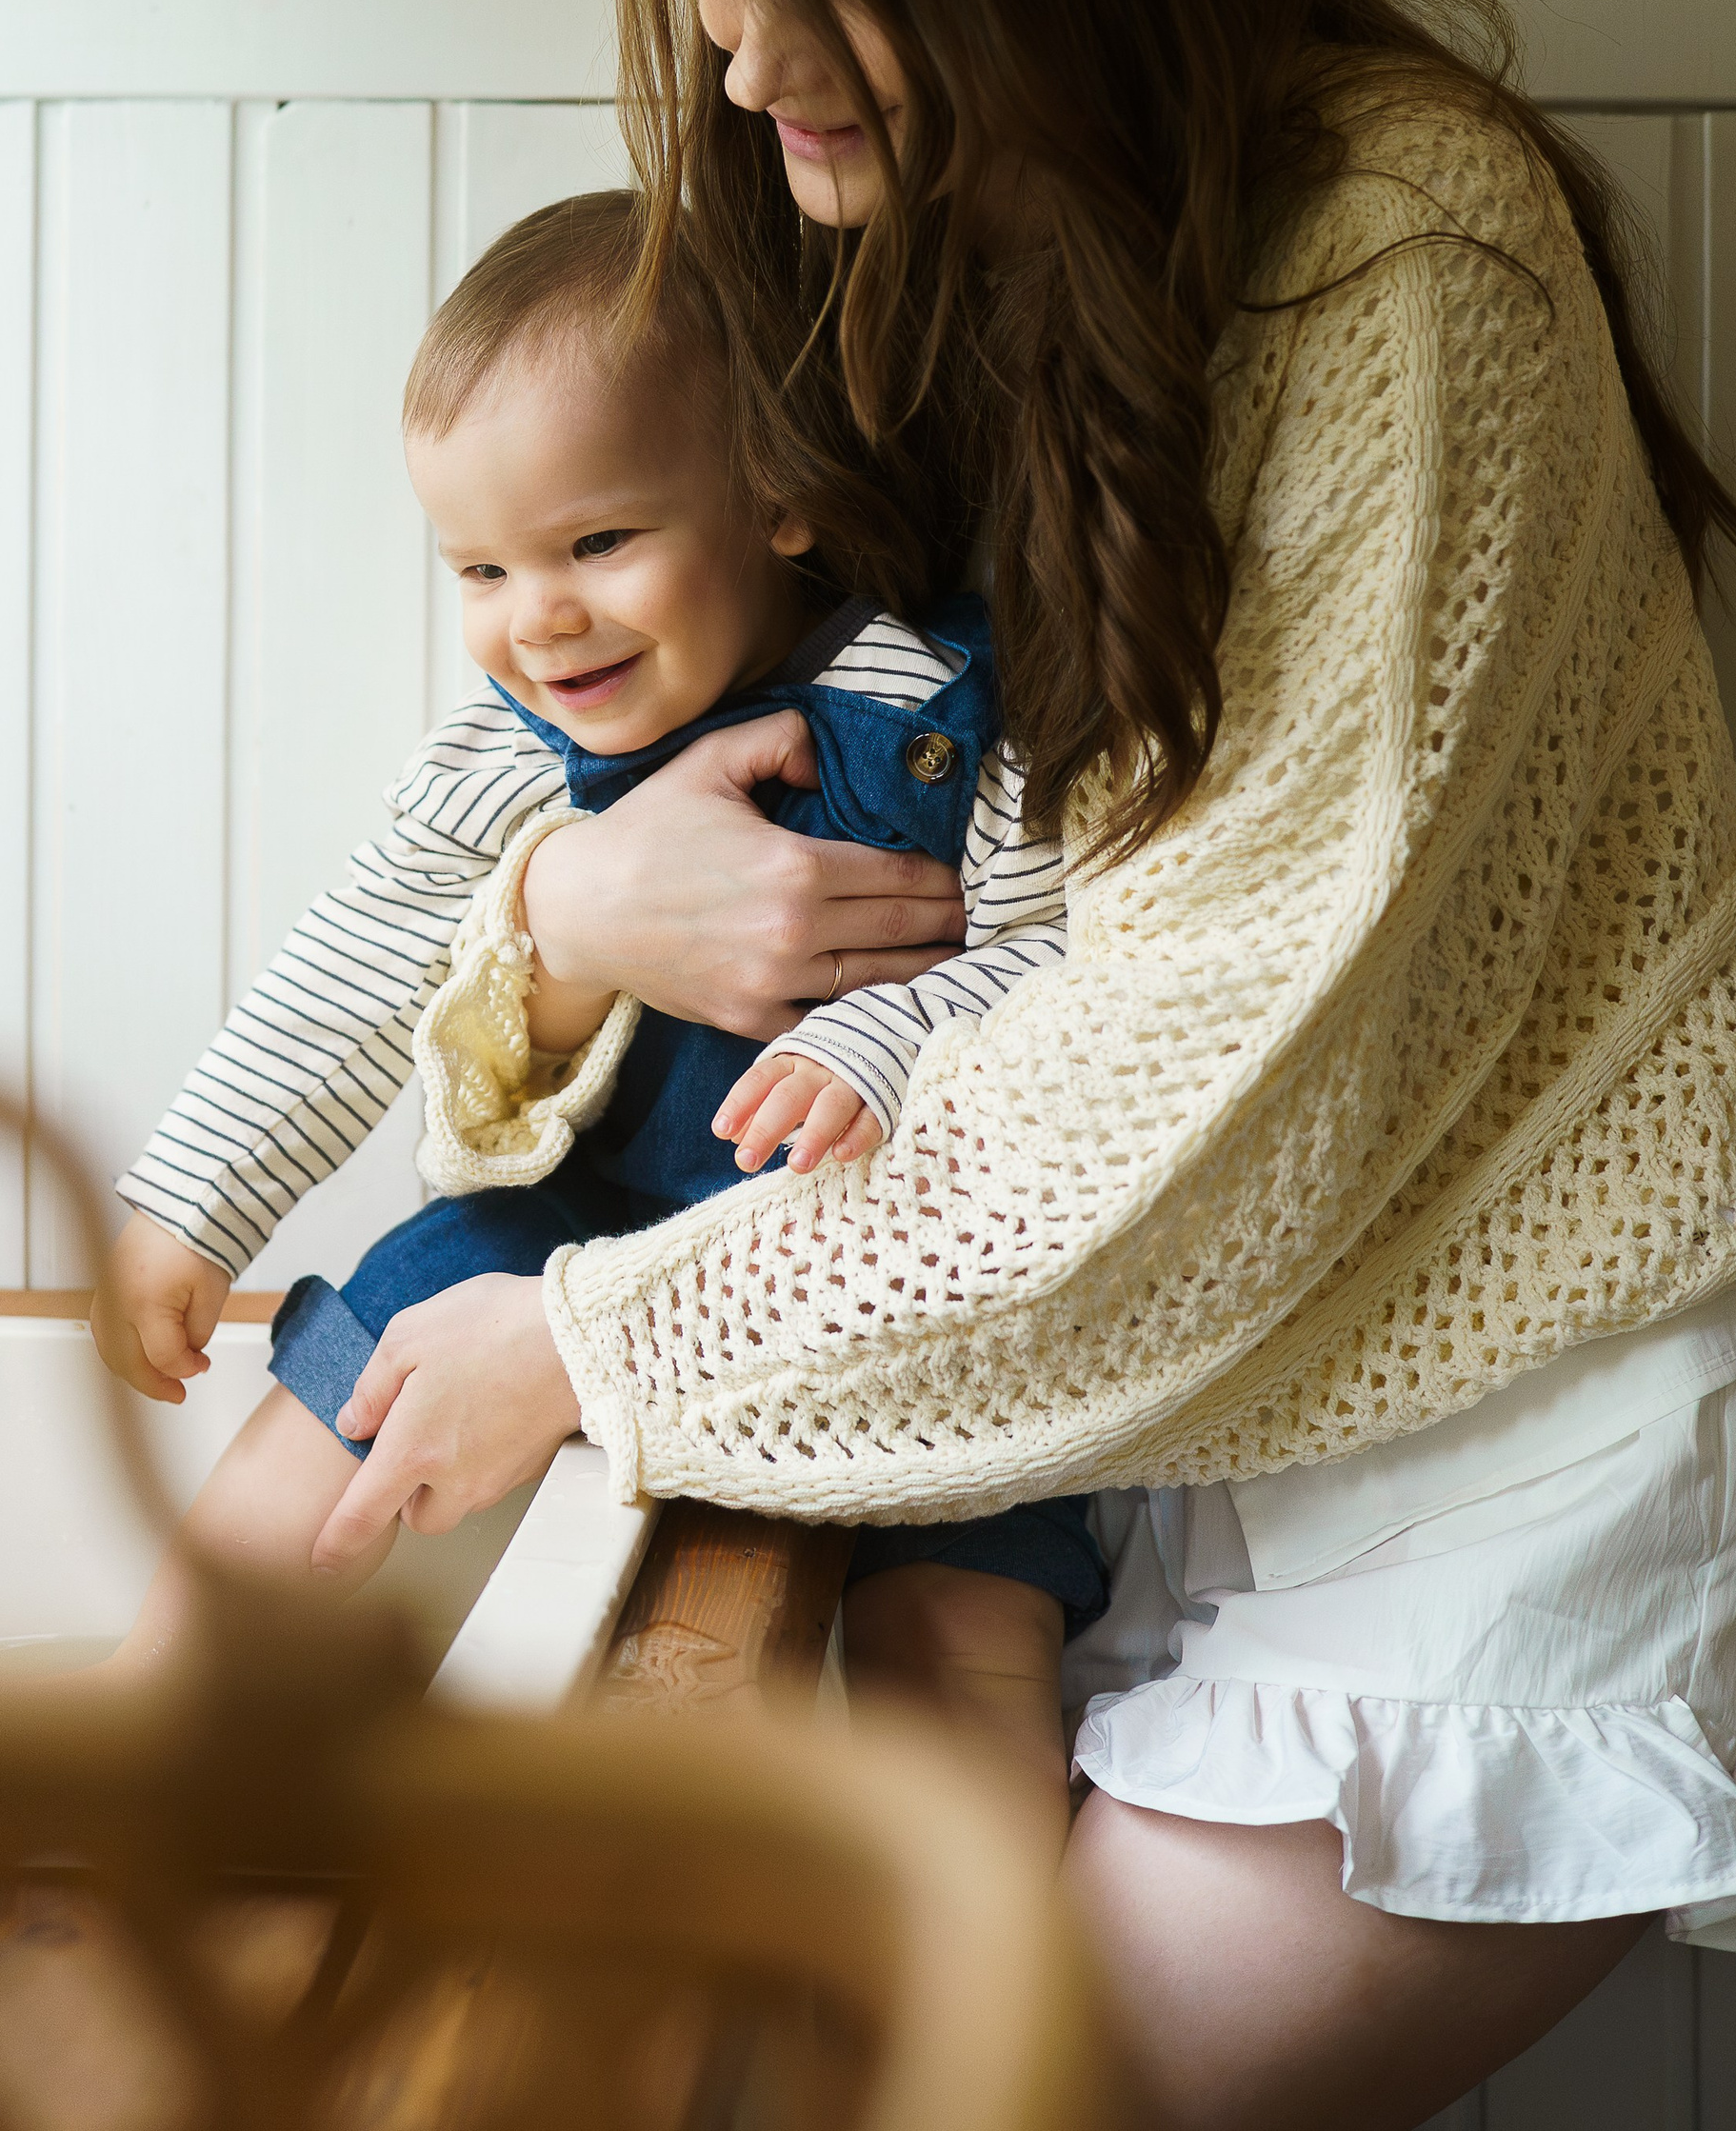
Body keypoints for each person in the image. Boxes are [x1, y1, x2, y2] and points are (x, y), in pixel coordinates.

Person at [251, 0, 1736, 2128]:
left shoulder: (1404, 264)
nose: (739, 47)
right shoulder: (931, 232)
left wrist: (598, 1341)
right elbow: (569, 767)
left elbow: (1215, 1088)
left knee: (982, 2077)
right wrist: (573, 905)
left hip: (1506, 1425)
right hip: (1161, 1394)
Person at [93, 189, 1102, 1803]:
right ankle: (125, 1758)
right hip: (580, 1225)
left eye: (597, 544)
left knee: (972, 1629)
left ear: (778, 494)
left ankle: (971, 1993)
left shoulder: (946, 704)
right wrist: (187, 1205)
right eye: (479, 566)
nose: (535, 616)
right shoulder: (512, 747)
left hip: (888, 1266)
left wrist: (884, 1029)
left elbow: (1070, 965)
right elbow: (355, 964)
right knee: (341, 1380)